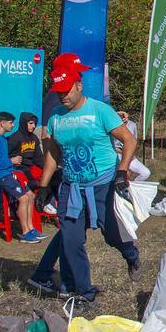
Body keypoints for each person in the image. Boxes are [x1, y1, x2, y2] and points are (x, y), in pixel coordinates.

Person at [28, 53, 141, 304]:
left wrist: (122, 170)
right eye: (58, 92)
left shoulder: (100, 111)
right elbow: (53, 153)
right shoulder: (56, 117)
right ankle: (83, 293)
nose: (63, 96)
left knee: (111, 234)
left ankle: (131, 254)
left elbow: (129, 139)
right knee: (70, 240)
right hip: (71, 186)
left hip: (103, 184)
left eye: (67, 90)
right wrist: (43, 186)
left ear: (79, 85)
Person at [0, 111, 41, 243]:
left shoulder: (2, 139)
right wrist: (12, 161)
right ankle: (25, 233)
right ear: (2, 123)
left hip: (8, 172)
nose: (13, 125)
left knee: (31, 195)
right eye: (10, 123)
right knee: (24, 198)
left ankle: (31, 229)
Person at [7, 112, 44, 188]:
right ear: (24, 123)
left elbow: (39, 157)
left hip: (31, 166)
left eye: (34, 124)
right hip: (18, 167)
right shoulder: (14, 138)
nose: (33, 126)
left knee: (48, 176)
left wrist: (46, 167)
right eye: (30, 123)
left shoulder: (34, 138)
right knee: (32, 181)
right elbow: (5, 154)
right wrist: (12, 160)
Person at [114, 109, 151, 181]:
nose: (122, 116)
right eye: (119, 114)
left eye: (123, 114)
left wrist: (129, 154)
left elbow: (134, 141)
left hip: (128, 154)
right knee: (122, 175)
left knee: (145, 172)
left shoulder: (132, 125)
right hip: (115, 155)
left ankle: (133, 186)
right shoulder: (112, 125)